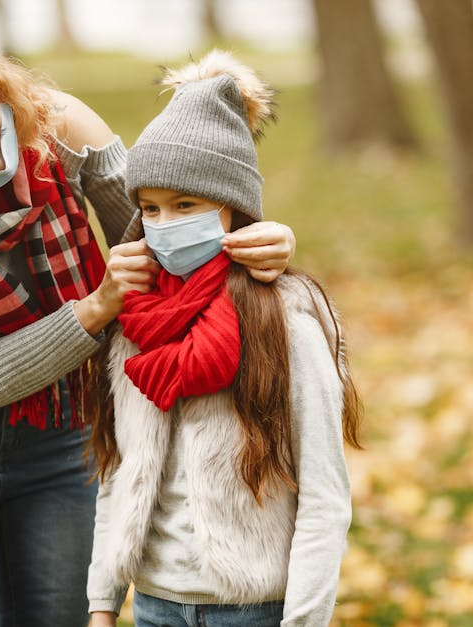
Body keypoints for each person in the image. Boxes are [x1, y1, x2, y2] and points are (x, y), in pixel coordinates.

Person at [0, 25, 296, 627]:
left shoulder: (60, 126)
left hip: (63, 427)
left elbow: (173, 241)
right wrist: (96, 307)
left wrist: (263, 239)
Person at [85, 50, 363, 627]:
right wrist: (102, 602)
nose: (165, 225)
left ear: (232, 209)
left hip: (255, 610)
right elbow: (120, 471)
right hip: (155, 603)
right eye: (151, 209)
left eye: (185, 205)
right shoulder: (135, 321)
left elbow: (324, 498)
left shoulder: (283, 319)